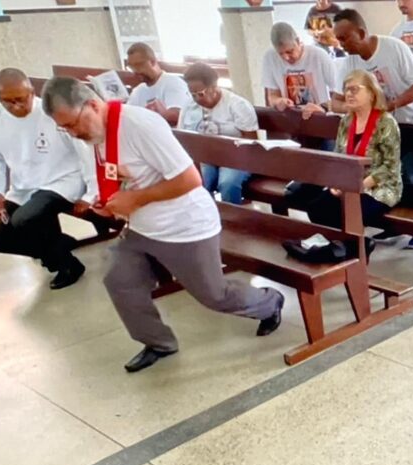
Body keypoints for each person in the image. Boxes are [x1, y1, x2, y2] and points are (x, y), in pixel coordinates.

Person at [42, 77, 285, 373]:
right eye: (63, 128)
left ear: (92, 105)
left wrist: (135, 200)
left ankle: (269, 302)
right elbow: (119, 174)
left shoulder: (140, 125)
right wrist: (106, 202)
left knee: (213, 295)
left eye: (71, 124)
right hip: (142, 227)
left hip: (185, 227)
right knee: (119, 280)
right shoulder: (95, 133)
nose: (72, 133)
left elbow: (190, 179)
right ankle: (158, 342)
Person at [0, 68, 96, 290]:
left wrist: (91, 193)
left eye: (20, 99)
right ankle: (58, 248)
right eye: (7, 101)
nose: (15, 106)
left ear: (32, 92)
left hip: (63, 182)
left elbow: (85, 152)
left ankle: (68, 265)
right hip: (24, 187)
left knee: (26, 218)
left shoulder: (51, 112)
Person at [333, 8, 413, 250]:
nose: (341, 44)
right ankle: (393, 225)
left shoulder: (393, 48)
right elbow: (337, 100)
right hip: (383, 129)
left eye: (345, 38)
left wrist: (390, 105)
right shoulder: (348, 61)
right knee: (388, 177)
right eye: (338, 39)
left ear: (361, 32)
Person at [306, 70, 402, 241]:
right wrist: (336, 183)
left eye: (355, 89)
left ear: (372, 93)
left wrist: (358, 186)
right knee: (317, 207)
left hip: (379, 188)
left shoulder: (386, 122)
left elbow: (390, 167)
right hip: (348, 184)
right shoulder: (346, 121)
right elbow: (338, 157)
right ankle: (342, 249)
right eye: (346, 89)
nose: (348, 94)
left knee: (349, 211)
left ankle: (353, 253)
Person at [179, 63, 258, 205]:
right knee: (198, 182)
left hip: (236, 158)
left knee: (227, 183)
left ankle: (234, 221)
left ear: (214, 87)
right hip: (205, 157)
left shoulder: (237, 105)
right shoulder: (189, 107)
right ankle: (207, 218)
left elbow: (251, 141)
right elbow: (184, 138)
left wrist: (229, 156)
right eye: (192, 94)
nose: (197, 99)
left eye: (200, 94)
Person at [262, 22, 336, 117]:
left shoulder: (319, 56)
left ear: (298, 41)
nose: (286, 58)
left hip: (319, 117)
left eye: (290, 51)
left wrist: (323, 108)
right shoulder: (270, 57)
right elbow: (272, 96)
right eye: (281, 54)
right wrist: (279, 101)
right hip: (290, 119)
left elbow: (338, 94)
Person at [125, 42, 191, 126]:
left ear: (152, 62)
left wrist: (161, 112)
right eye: (131, 67)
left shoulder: (173, 82)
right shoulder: (138, 91)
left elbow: (178, 116)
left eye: (139, 65)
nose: (135, 71)